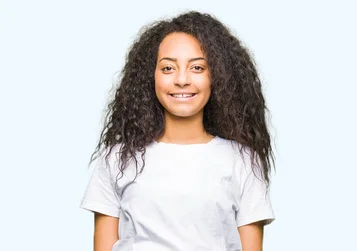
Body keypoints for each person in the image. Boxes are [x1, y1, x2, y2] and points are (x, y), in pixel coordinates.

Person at [80, 11, 276, 251]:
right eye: (168, 68)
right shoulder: (117, 158)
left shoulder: (243, 161)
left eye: (197, 67)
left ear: (217, 77)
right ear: (150, 77)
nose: (182, 80)